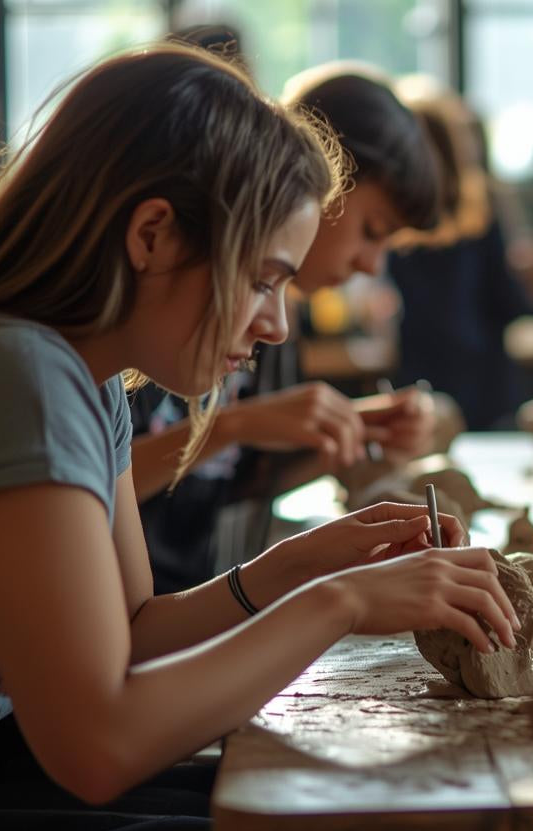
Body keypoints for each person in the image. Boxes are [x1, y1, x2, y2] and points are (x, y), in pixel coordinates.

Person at [0, 45, 516, 831]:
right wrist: (340, 603)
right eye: (264, 280)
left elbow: (130, 637)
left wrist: (304, 561)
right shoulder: (14, 371)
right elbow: (99, 746)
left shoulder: (84, 379)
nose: (278, 325)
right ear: (153, 234)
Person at [129, 61, 442, 594]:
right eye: (371, 231)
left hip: (181, 607)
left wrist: (342, 436)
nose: (371, 264)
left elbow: (229, 481)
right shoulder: (171, 311)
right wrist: (237, 424)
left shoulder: (273, 323)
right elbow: (100, 482)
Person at [387, 74, 533, 431]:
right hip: (478, 378)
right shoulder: (479, 213)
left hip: (428, 377)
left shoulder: (395, 220)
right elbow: (508, 301)